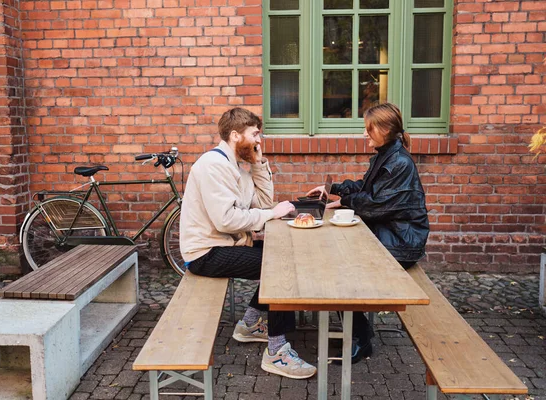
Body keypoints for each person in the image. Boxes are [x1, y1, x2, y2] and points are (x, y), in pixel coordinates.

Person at [180, 107, 317, 379]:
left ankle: (250, 324)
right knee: (279, 269)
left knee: (286, 254)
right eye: (255, 134)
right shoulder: (213, 166)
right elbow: (226, 220)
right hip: (205, 253)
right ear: (234, 135)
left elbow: (264, 204)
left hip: (226, 245)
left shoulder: (238, 166)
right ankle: (276, 352)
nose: (259, 140)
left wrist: (259, 162)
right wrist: (271, 214)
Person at [306, 102, 430, 364]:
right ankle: (357, 331)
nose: (365, 134)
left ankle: (360, 339)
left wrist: (346, 200)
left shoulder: (398, 162)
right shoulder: (387, 155)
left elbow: (374, 205)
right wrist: (336, 188)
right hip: (389, 231)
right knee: (336, 257)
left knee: (339, 269)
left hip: (402, 241)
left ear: (385, 129)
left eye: (369, 129)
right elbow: (367, 188)